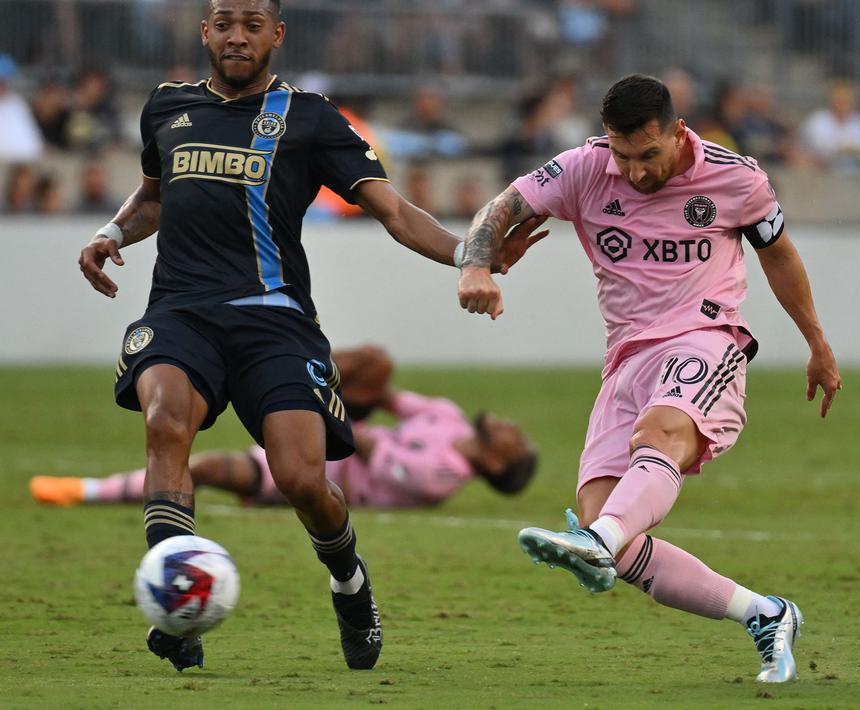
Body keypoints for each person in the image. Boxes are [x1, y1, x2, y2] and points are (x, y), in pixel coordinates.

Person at [76, 0, 544, 673]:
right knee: (164, 422)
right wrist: (111, 233)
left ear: (276, 35)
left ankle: (350, 584)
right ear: (205, 30)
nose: (237, 35)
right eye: (224, 22)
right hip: (182, 312)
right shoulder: (166, 106)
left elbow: (393, 210)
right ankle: (178, 609)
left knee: (301, 479)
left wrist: (470, 257)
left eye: (252, 24)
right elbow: (154, 194)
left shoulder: (313, 118)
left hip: (275, 322)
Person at [456, 74, 841, 683]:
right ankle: (765, 614)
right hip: (625, 360)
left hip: (706, 339)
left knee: (657, 442)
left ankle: (599, 540)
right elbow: (502, 207)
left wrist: (816, 341)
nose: (634, 172)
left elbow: (779, 255)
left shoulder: (735, 178)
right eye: (623, 154)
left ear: (678, 133)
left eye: (648, 155)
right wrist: (476, 264)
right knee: (611, 527)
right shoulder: (585, 167)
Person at [31, 346, 538, 509]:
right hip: (336, 430)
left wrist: (314, 404)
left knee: (205, 467)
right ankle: (289, 363)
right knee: (375, 360)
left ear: (495, 463)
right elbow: (384, 398)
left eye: (518, 441)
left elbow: (363, 446)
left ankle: (87, 490)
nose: (514, 426)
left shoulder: (442, 478)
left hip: (327, 470)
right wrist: (346, 376)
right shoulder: (446, 415)